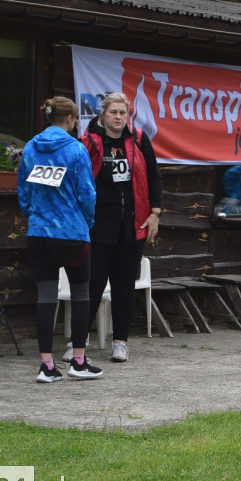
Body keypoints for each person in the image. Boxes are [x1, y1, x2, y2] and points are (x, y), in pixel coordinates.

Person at [18, 96, 101, 382]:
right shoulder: (77, 150)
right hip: (71, 234)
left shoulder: (30, 148)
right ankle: (78, 360)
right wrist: (87, 222)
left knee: (45, 298)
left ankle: (46, 365)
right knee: (80, 295)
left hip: (39, 233)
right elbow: (87, 194)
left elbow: (23, 193)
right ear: (70, 120)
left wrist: (35, 215)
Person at [79, 92, 162, 363]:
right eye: (113, 112)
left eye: (122, 113)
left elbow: (154, 176)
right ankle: (77, 342)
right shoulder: (88, 141)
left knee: (124, 285)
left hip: (133, 224)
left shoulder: (139, 139)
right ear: (103, 114)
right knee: (92, 285)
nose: (117, 117)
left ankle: (120, 342)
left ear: (128, 115)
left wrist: (155, 213)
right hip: (98, 225)